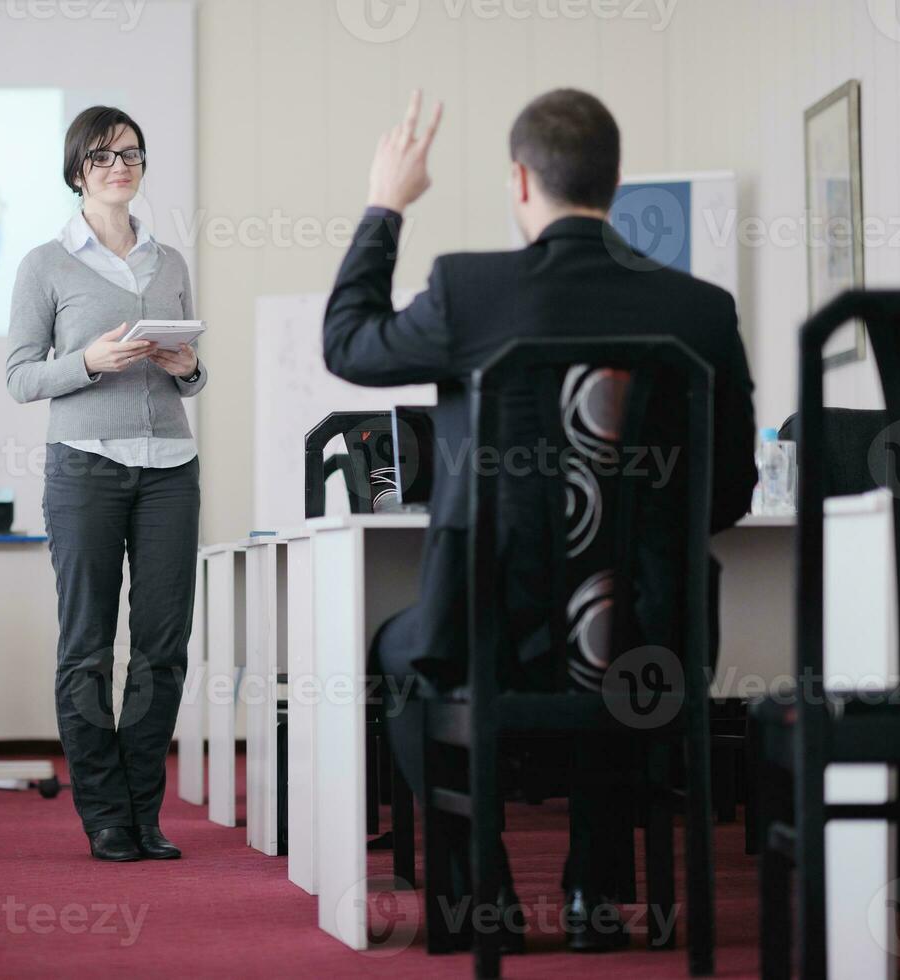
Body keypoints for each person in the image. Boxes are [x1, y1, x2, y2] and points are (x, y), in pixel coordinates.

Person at [322, 89, 757, 950]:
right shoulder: (698, 310)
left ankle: (476, 898)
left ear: (520, 179)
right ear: (618, 181)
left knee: (398, 654)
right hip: (650, 648)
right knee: (612, 628)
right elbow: (731, 493)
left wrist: (385, 205)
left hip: (492, 637)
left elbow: (348, 342)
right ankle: (596, 895)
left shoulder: (469, 290)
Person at [6, 106, 205, 862]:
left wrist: (190, 369)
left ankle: (144, 812)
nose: (118, 165)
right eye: (101, 156)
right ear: (76, 172)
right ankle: (104, 815)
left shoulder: (171, 263)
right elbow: (21, 377)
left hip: (170, 472)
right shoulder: (45, 264)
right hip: (84, 465)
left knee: (162, 648)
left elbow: (188, 373)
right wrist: (89, 362)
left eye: (130, 153)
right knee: (88, 647)